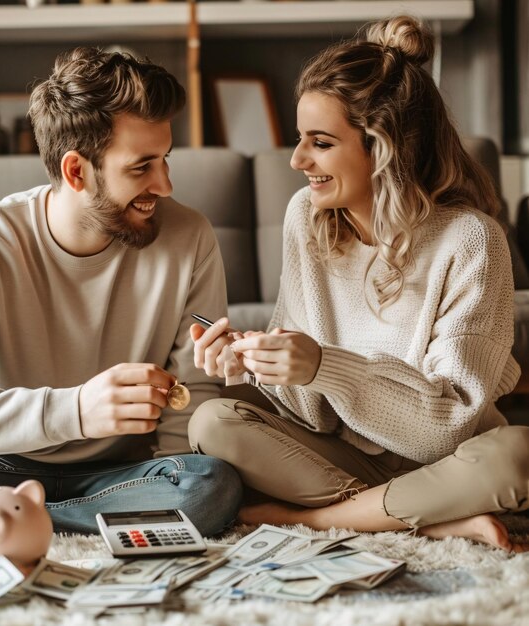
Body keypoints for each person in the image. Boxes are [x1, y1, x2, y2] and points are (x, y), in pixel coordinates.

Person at [189, 16, 529, 552]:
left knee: (517, 457)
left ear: (385, 146)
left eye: (320, 143)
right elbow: (312, 413)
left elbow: (450, 424)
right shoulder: (306, 216)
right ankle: (429, 520)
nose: (298, 161)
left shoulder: (471, 241)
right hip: (346, 456)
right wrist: (260, 366)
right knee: (213, 421)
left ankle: (322, 519)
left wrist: (325, 365)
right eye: (300, 141)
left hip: (443, 458)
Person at [0, 47, 242, 538]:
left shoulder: (190, 237)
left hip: (117, 479)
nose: (165, 185)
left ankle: (10, 526)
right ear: (76, 171)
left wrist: (178, 483)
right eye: (142, 166)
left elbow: (190, 401)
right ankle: (43, 521)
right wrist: (76, 411)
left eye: (165, 160)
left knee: (210, 485)